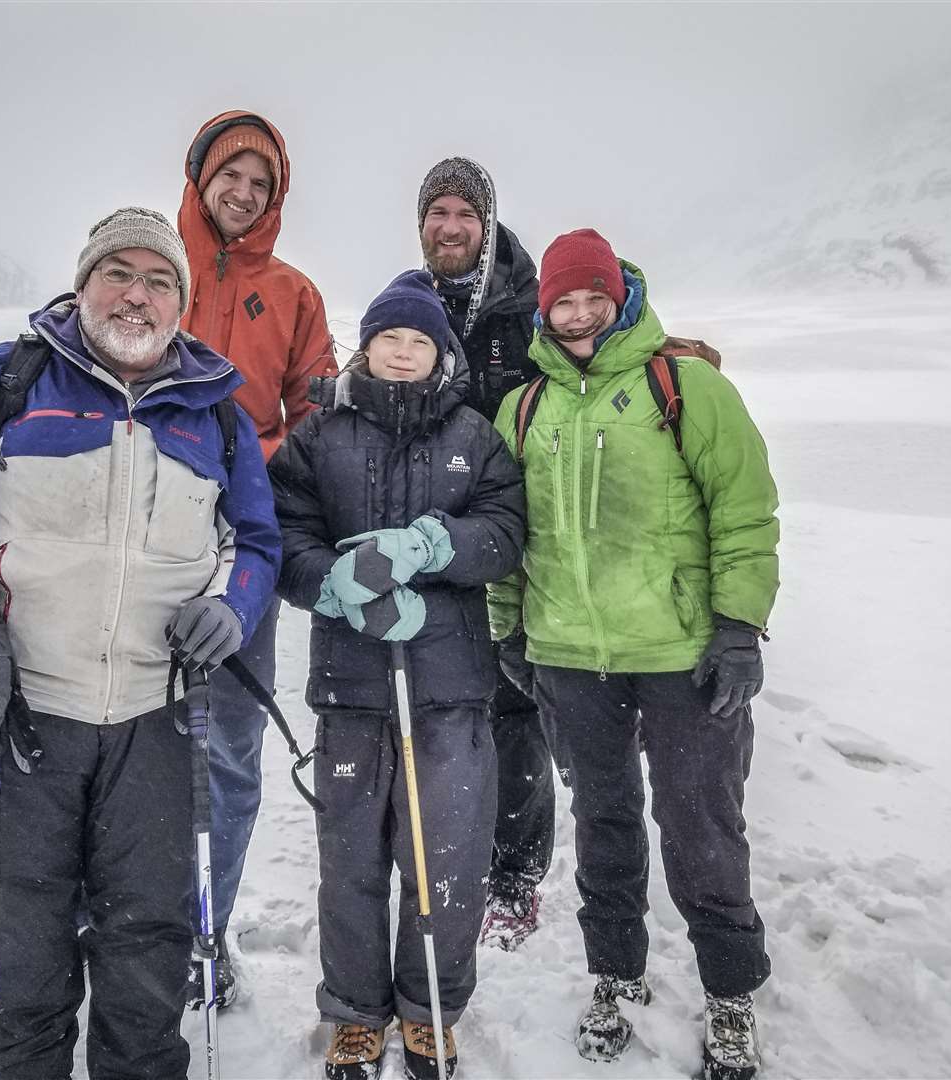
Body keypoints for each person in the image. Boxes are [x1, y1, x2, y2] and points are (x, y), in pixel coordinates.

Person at [0, 207, 281, 1079]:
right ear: (84, 282)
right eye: (118, 275)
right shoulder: (9, 381)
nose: (137, 296)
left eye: (159, 280)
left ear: (182, 300)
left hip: (157, 717)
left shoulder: (216, 415)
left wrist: (232, 610)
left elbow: (256, 541)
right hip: (23, 712)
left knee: (149, 941)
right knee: (27, 938)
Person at [487, 229, 779, 1080]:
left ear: (619, 298)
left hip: (680, 651)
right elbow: (514, 535)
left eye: (593, 299)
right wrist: (511, 628)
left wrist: (736, 626)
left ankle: (728, 992)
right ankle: (614, 976)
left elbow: (744, 509)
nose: (579, 316)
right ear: (544, 309)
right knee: (603, 823)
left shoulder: (682, 385)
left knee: (700, 824)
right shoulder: (525, 409)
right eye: (563, 303)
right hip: (570, 656)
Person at [269, 271, 526, 1080]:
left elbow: (507, 531)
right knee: (349, 860)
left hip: (449, 687)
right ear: (366, 347)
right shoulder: (321, 434)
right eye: (391, 339)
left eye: (420, 341)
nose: (405, 353)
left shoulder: (474, 435)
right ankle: (353, 1012)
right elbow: (284, 533)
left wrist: (437, 545)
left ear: (441, 354)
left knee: (442, 858)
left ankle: (429, 1008)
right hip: (351, 685)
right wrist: (332, 588)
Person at [177, 110, 337, 1007]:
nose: (242, 193)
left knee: (232, 752)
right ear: (199, 175)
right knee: (127, 749)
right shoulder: (151, 267)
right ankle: (128, 924)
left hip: (244, 550)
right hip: (140, 543)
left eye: (260, 183)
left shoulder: (293, 293)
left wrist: (268, 485)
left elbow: (315, 419)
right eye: (230, 176)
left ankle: (207, 930)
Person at [415, 157, 556, 950]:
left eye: (463, 214)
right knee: (440, 705)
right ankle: (440, 852)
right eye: (436, 213)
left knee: (515, 709)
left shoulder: (526, 309)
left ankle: (513, 876)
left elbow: (580, 362)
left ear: (487, 223)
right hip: (433, 540)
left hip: (514, 537)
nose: (449, 227)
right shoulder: (413, 302)